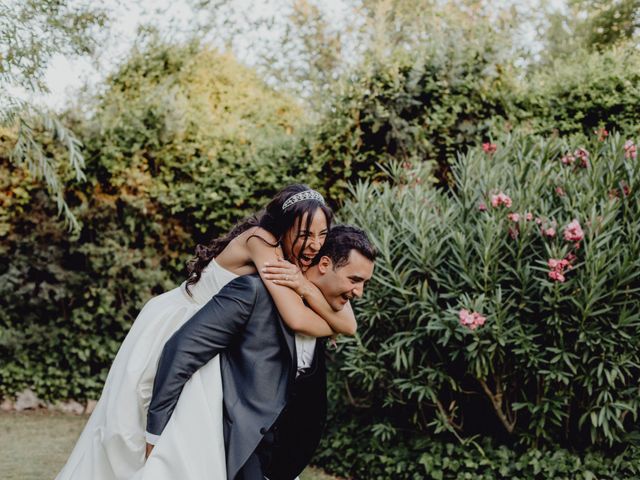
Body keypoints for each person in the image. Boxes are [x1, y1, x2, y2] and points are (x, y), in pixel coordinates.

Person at [56, 185, 357, 480]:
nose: (316, 244)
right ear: (283, 226)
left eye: (322, 234)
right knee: (135, 429)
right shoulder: (262, 242)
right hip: (179, 322)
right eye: (305, 234)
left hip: (217, 343)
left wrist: (309, 292)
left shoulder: (296, 257)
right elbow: (296, 318)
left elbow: (348, 323)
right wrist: (329, 322)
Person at [143, 225, 377, 480]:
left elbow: (347, 327)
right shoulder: (254, 292)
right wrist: (155, 434)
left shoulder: (331, 306)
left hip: (284, 460)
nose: (359, 292)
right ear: (323, 264)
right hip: (242, 446)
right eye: (354, 280)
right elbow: (181, 352)